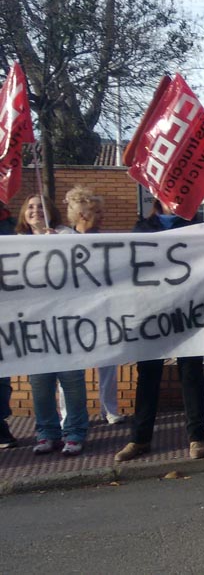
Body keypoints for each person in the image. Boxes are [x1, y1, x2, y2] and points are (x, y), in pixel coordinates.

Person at [114, 200, 204, 462]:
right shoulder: (142, 228)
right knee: (148, 375)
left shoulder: (196, 229)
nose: (176, 197)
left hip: (186, 313)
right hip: (152, 314)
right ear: (159, 196)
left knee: (191, 374)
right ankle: (139, 438)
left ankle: (196, 437)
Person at [21, 191, 91, 456]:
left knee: (72, 381)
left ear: (51, 210)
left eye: (40, 206)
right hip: (33, 328)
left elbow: (84, 262)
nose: (35, 211)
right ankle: (46, 433)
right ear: (23, 213)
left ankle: (74, 433)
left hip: (66, 324)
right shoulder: (15, 243)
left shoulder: (67, 236)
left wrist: (59, 245)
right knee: (40, 384)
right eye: (30, 207)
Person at [61, 186, 124, 425]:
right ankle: (69, 415)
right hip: (72, 314)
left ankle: (109, 408)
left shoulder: (106, 241)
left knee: (107, 362)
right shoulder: (61, 241)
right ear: (83, 215)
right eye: (96, 212)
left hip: (102, 311)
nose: (102, 216)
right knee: (69, 366)